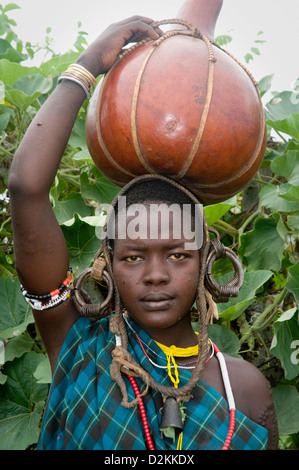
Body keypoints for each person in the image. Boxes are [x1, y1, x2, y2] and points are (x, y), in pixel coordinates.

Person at [8, 17, 278, 450]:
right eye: (133, 257)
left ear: (207, 258)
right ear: (107, 265)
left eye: (177, 255)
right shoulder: (79, 351)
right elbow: (25, 188)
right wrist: (88, 63)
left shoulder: (243, 391)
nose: (155, 275)